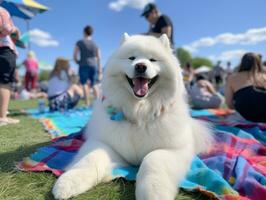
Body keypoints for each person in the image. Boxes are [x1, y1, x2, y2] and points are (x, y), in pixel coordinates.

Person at [225, 52, 266, 122]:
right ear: (259, 63)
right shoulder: (264, 76)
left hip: (244, 116)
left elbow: (229, 104)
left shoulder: (232, 78)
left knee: (228, 119)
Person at [0, 7, 20, 126]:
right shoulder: (2, 10)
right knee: (4, 82)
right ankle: (2, 117)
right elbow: (6, 29)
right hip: (4, 50)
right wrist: (15, 29)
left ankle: (2, 114)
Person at [73, 25, 102, 105]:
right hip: (94, 65)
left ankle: (87, 103)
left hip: (83, 65)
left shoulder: (80, 42)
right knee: (95, 84)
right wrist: (99, 69)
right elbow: (99, 57)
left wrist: (77, 61)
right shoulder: (95, 44)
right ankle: (98, 103)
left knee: (84, 83)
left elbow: (75, 55)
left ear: (84, 32)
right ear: (91, 33)